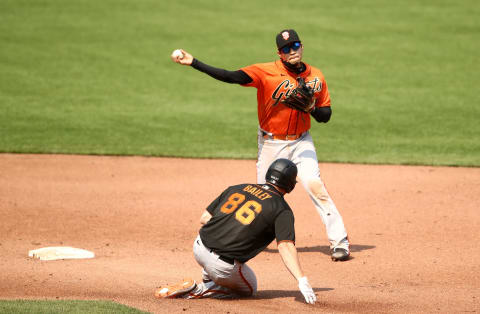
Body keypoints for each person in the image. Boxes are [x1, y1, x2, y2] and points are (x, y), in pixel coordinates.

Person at [171, 29, 349, 261]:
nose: (292, 51)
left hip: (301, 141)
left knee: (315, 185)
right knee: (262, 195)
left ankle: (340, 242)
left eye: (295, 46)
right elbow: (230, 76)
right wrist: (194, 62)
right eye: (286, 49)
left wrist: (312, 109)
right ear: (279, 53)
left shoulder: (316, 76)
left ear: (302, 47)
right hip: (271, 143)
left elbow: (325, 116)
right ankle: (243, 240)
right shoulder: (265, 72)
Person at [155, 159, 316, 304]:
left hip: (198, 247)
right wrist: (301, 279)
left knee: (220, 252)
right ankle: (199, 289)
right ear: (290, 184)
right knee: (250, 288)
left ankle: (208, 274)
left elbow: (204, 218)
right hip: (221, 267)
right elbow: (285, 246)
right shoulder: (282, 210)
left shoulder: (238, 187)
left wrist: (229, 228)